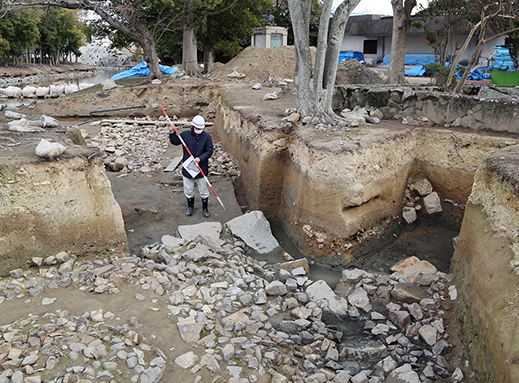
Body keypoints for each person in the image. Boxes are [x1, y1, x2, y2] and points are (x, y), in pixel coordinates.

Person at [169, 115, 214, 217]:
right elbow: (175, 141)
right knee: (188, 189)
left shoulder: (206, 137)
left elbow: (209, 151)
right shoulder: (185, 135)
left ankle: (205, 209)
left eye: (201, 129)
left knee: (203, 190)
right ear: (193, 126)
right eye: (198, 128)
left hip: (201, 167)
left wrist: (200, 158)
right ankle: (190, 207)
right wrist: (172, 132)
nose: (199, 130)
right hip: (188, 168)